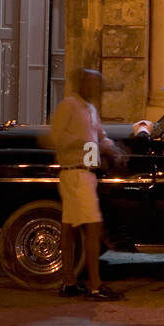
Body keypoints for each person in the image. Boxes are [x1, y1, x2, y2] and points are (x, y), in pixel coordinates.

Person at [50, 68, 124, 301]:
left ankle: (69, 282)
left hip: (86, 173)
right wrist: (85, 141)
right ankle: (94, 285)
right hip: (75, 173)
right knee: (93, 228)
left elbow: (100, 136)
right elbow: (57, 137)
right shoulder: (69, 105)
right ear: (82, 83)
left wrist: (113, 148)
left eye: (98, 85)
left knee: (70, 228)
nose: (95, 89)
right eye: (92, 84)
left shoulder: (90, 109)